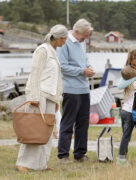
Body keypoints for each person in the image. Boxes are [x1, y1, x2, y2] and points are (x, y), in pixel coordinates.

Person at [15, 24, 68, 172]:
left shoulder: (53, 52)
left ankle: (40, 164)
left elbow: (55, 78)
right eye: (64, 39)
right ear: (57, 38)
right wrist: (34, 97)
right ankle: (23, 162)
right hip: (39, 95)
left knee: (47, 131)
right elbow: (35, 74)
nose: (64, 42)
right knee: (33, 129)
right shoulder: (42, 50)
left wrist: (56, 99)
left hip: (50, 96)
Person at [57, 19, 95, 163]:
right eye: (85, 35)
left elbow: (84, 60)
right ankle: (63, 155)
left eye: (88, 35)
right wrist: (82, 71)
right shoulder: (65, 42)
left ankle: (80, 154)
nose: (87, 38)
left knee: (83, 123)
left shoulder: (82, 42)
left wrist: (89, 67)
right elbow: (62, 66)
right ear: (77, 31)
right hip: (70, 89)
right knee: (68, 122)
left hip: (84, 88)